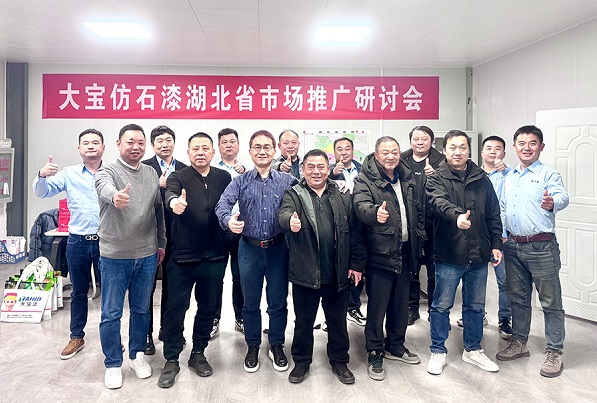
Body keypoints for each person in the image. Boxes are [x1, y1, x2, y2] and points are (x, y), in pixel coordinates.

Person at [278, 149, 366, 385]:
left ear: (328, 169)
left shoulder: (342, 194)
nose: (316, 171)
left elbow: (356, 232)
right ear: (303, 170)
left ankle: (339, 361)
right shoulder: (294, 193)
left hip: (337, 272)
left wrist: (356, 264)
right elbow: (283, 213)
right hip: (305, 271)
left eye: (320, 167)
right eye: (311, 167)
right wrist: (289, 221)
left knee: (337, 322)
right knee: (303, 322)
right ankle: (301, 362)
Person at [215, 130, 296, 373]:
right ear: (250, 152)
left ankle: (277, 344)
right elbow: (222, 204)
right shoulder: (240, 181)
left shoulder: (287, 181)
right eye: (257, 147)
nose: (262, 151)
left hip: (278, 248)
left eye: (267, 147)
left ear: (274, 151)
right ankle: (252, 345)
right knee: (250, 302)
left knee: (278, 301)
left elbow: (309, 194)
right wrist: (228, 220)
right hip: (249, 249)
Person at [157, 132, 232, 388]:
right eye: (195, 148)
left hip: (215, 255)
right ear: (188, 153)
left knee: (208, 308)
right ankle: (171, 358)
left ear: (213, 152)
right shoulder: (177, 177)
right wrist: (174, 202)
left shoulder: (224, 177)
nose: (200, 152)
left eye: (205, 148)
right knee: (175, 308)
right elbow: (170, 195)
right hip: (182, 256)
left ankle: (198, 352)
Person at [425, 130, 502, 376]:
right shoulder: (436, 178)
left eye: (462, 147)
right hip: (449, 254)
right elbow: (438, 203)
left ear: (469, 150)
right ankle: (438, 350)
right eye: (452, 147)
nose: (457, 152)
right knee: (441, 305)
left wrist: (496, 244)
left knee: (475, 306)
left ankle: (473, 349)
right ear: (444, 151)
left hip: (478, 254)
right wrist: (456, 216)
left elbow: (493, 214)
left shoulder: (482, 179)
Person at [95, 123, 166, 389]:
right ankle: (113, 363)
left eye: (140, 143)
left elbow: (158, 211)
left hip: (147, 254)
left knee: (141, 309)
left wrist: (161, 242)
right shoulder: (108, 171)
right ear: (118, 144)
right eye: (130, 142)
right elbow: (104, 187)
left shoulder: (150, 172)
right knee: (111, 313)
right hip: (115, 255)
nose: (136, 147)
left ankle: (137, 355)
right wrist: (115, 197)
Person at [496, 125, 569, 378]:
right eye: (522, 143)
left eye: (532, 143)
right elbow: (503, 208)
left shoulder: (549, 174)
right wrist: (502, 236)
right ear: (514, 147)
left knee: (550, 301)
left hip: (541, 246)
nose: (527, 148)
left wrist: (552, 202)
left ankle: (555, 351)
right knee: (518, 298)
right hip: (512, 246)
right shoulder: (509, 177)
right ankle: (519, 342)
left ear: (541, 147)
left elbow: (562, 197)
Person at [353, 136, 424, 381]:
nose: (391, 156)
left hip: (405, 250)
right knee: (377, 307)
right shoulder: (364, 179)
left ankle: (396, 344)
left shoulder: (406, 177)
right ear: (376, 154)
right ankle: (375, 350)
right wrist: (374, 213)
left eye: (395, 151)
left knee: (400, 304)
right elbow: (360, 206)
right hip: (380, 252)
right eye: (385, 152)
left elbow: (416, 210)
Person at [32, 128, 105, 360]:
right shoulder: (69, 173)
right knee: (79, 292)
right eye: (86, 143)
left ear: (103, 147)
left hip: (107, 242)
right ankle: (76, 336)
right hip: (78, 241)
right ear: (79, 149)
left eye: (95, 142)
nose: (91, 146)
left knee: (111, 293)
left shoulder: (111, 172)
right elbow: (43, 193)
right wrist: (41, 175)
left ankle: (110, 338)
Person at [459, 135, 511, 338]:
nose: (493, 152)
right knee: (473, 279)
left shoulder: (510, 175)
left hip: (501, 235)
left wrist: (502, 234)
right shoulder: (473, 174)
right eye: (489, 148)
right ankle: (477, 315)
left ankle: (505, 319)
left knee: (504, 281)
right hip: (477, 236)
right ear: (481, 153)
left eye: (498, 148)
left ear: (504, 153)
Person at [142, 125, 187, 355]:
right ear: (153, 145)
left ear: (174, 143)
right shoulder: (144, 167)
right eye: (159, 140)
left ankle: (168, 330)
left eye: (168, 140)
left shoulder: (185, 168)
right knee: (147, 288)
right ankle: (146, 334)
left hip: (177, 237)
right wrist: (156, 187)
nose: (164, 144)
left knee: (173, 288)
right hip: (150, 235)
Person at [400, 125, 444, 325]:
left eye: (424, 139)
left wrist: (437, 174)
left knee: (435, 269)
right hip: (410, 223)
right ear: (410, 141)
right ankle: (412, 307)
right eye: (416, 139)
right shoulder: (402, 160)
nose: (420, 142)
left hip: (435, 224)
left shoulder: (441, 162)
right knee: (412, 268)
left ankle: (435, 309)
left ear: (431, 141)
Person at [211, 127, 250, 337]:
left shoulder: (249, 168)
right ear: (218, 146)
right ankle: (213, 319)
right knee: (215, 277)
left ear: (238, 144)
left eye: (232, 141)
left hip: (243, 230)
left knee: (240, 276)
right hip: (218, 228)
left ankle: (241, 318)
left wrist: (244, 172)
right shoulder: (211, 169)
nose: (228, 145)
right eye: (224, 142)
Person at [329, 137, 366, 327]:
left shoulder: (364, 170)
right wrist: (333, 175)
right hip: (337, 225)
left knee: (357, 267)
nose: (343, 152)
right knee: (336, 270)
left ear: (353, 150)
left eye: (347, 148)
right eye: (339, 149)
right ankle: (332, 314)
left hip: (360, 223)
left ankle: (354, 307)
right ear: (334, 152)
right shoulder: (328, 171)